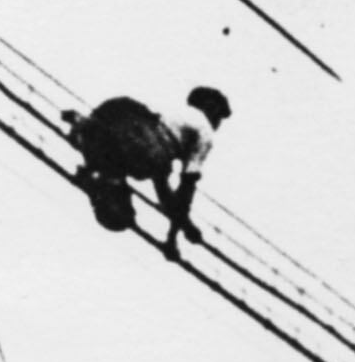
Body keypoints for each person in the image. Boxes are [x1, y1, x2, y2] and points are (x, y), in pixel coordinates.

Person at [62, 87, 231, 257]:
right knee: (157, 178)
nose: (218, 124)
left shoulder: (170, 111)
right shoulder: (205, 131)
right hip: (143, 148)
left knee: (116, 163)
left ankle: (83, 132)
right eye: (220, 117)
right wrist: (179, 232)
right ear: (212, 108)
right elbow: (186, 188)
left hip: (115, 119)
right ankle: (90, 150)